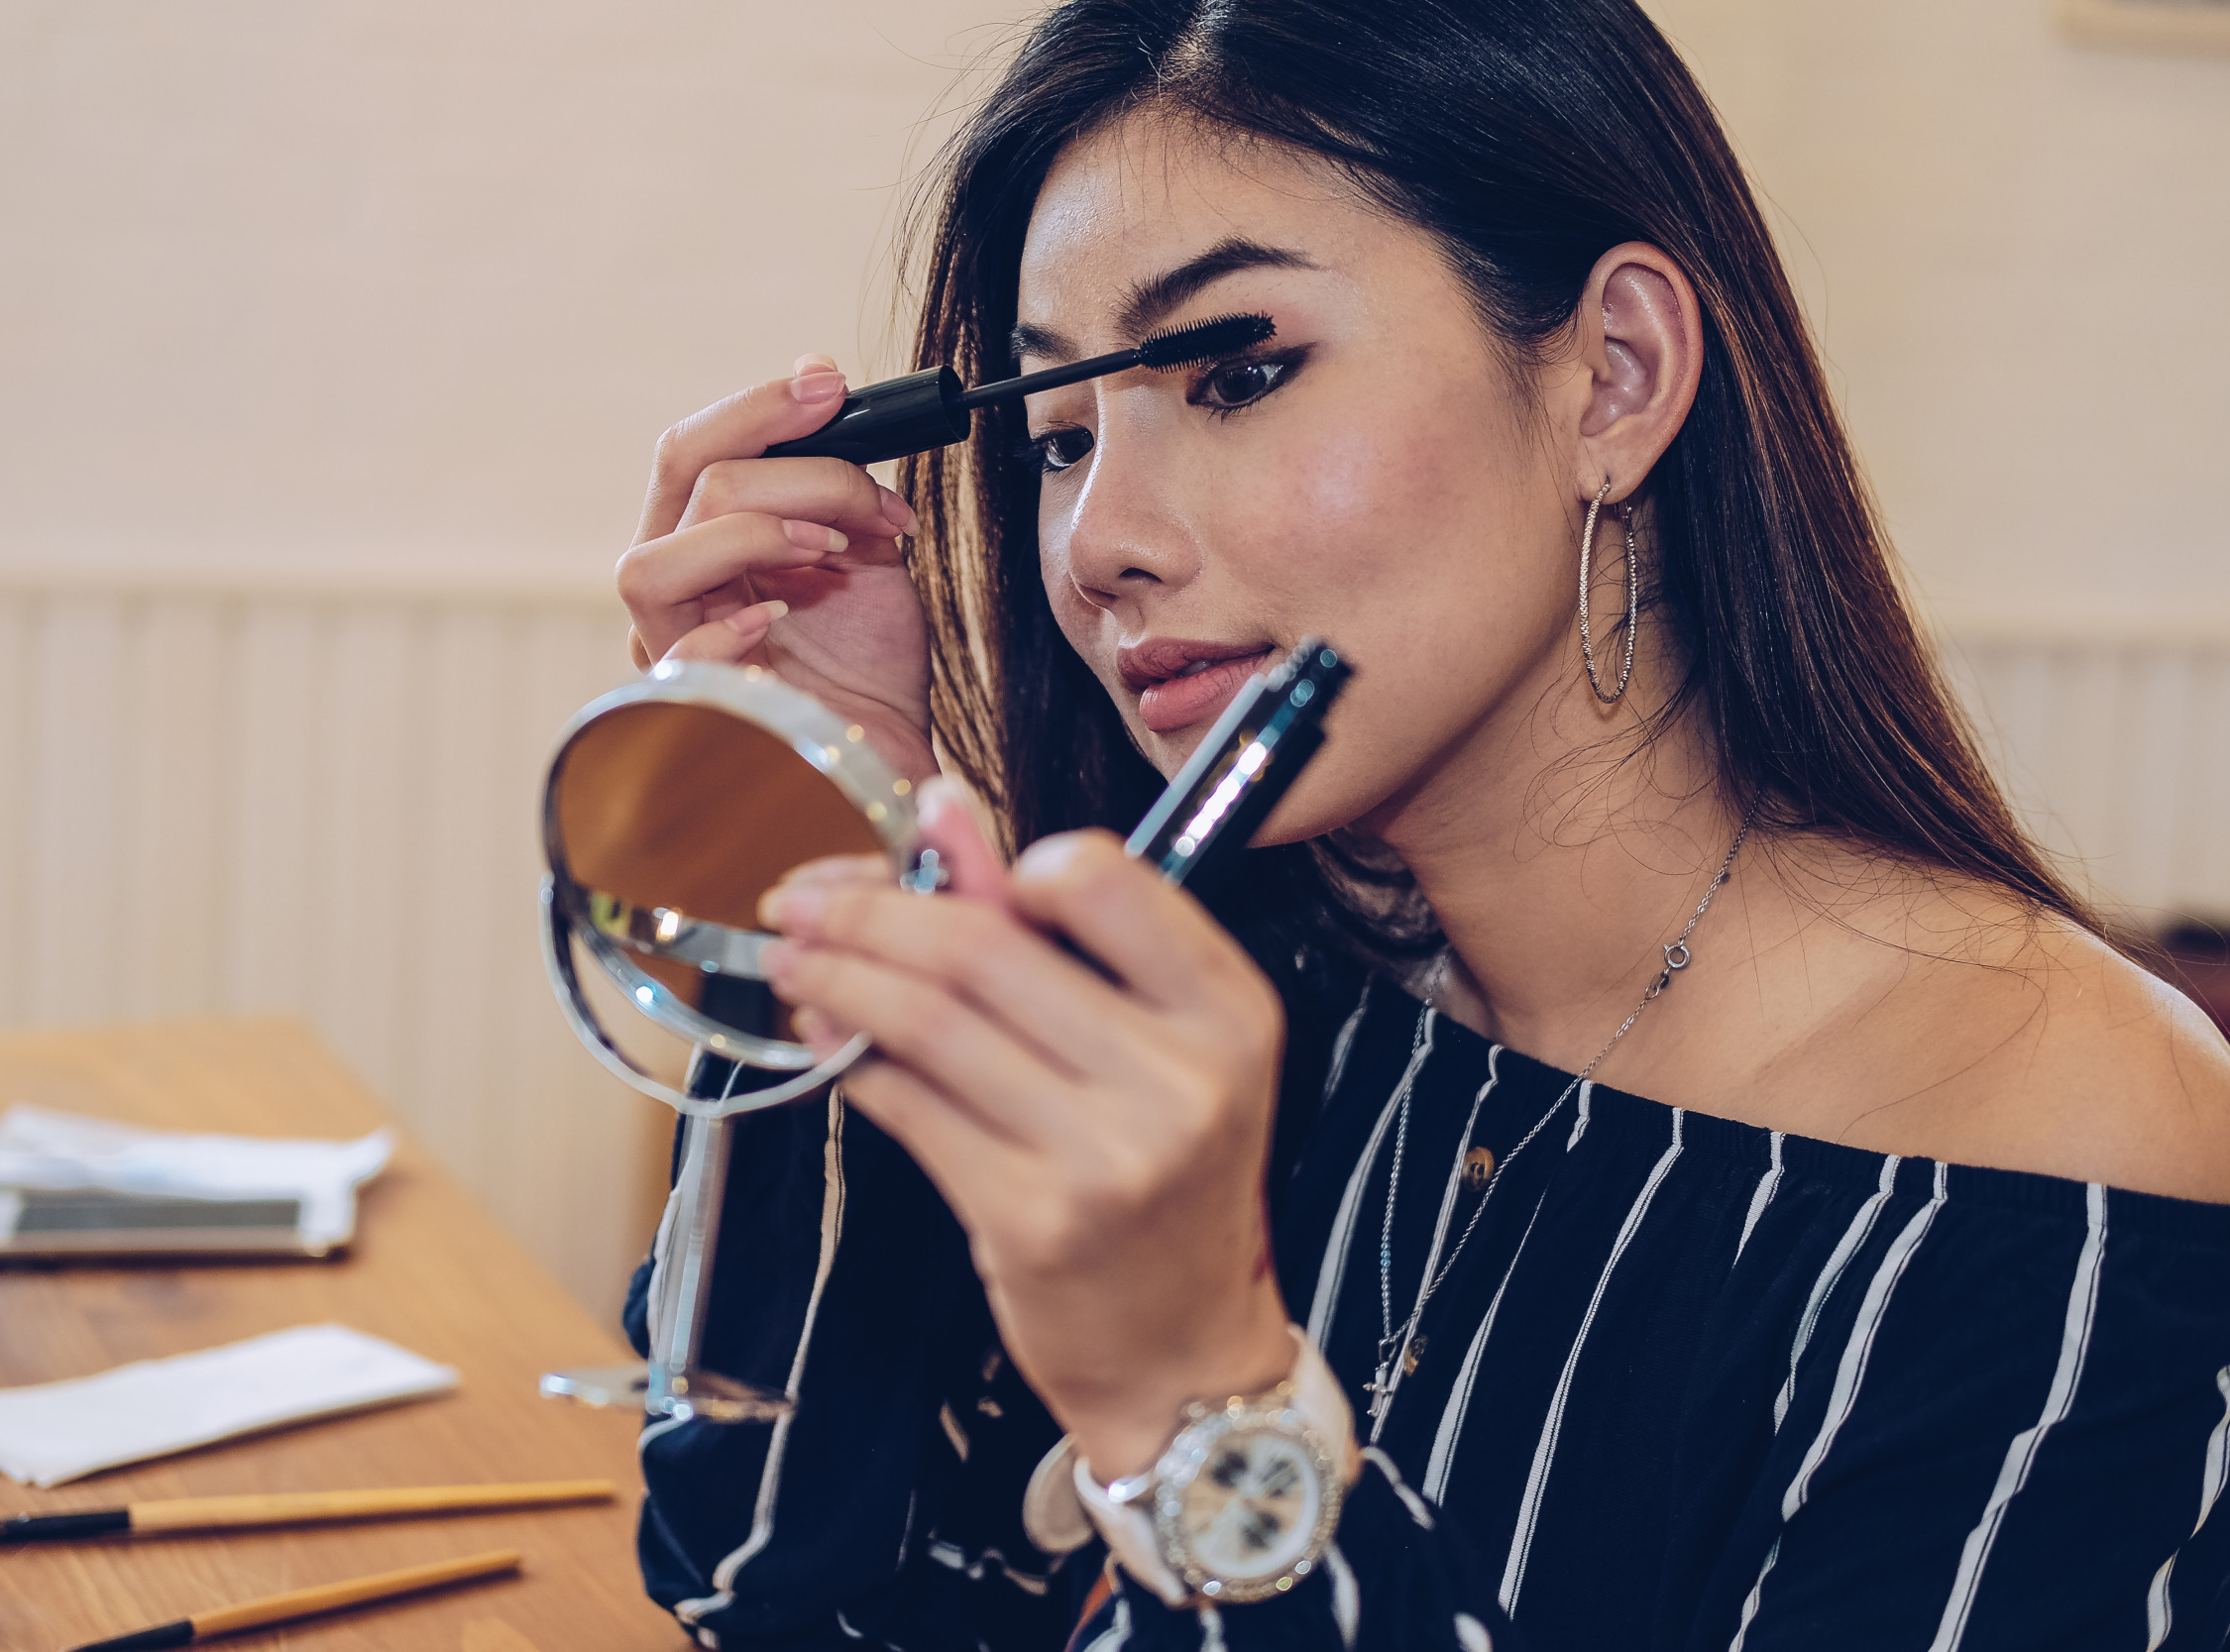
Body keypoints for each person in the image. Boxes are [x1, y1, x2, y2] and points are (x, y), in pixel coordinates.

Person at [609, 1, 2230, 1646]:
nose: (1100, 539)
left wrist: (1206, 1413)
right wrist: (825, 848)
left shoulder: (2059, 1158)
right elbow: (773, 1587)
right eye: (1061, 435)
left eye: (1239, 372)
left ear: (1616, 375)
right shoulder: (1264, 967)